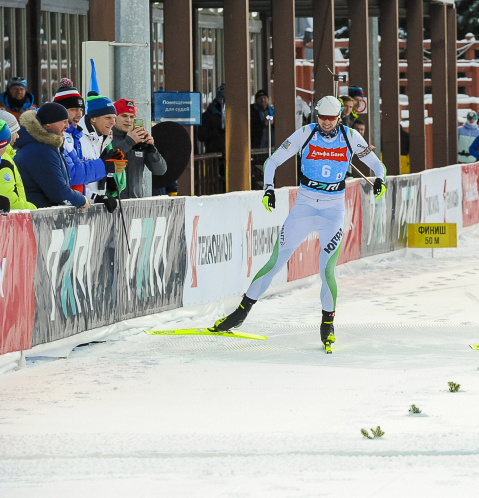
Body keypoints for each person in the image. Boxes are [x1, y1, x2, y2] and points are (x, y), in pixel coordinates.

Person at [208, 96, 387, 353]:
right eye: (322, 118)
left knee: (326, 269)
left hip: (333, 209)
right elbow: (272, 161)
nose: (326, 123)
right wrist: (268, 189)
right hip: (303, 207)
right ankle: (240, 313)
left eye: (331, 118)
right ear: (317, 116)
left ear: (339, 117)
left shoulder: (350, 136)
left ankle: (328, 325)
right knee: (274, 263)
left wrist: (380, 180)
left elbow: (376, 165)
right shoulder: (305, 133)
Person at [13, 103, 90, 210]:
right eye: (63, 121)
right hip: (37, 218)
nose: (67, 126)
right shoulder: (40, 150)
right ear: (48, 124)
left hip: (42, 216)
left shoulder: (47, 146)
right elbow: (58, 192)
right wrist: (80, 199)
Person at [54, 80, 107, 195]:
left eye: (81, 110)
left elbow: (79, 182)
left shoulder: (76, 136)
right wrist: (104, 165)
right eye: (73, 110)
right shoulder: (56, 137)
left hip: (76, 201)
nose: (79, 114)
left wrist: (93, 197)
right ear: (60, 111)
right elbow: (70, 175)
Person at [112, 98, 168, 199]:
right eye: (124, 115)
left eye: (132, 117)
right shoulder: (108, 137)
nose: (128, 120)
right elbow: (108, 159)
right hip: (112, 203)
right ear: (114, 117)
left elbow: (160, 170)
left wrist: (151, 149)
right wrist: (129, 141)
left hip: (135, 203)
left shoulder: (139, 140)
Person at [81, 94, 126, 205]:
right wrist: (95, 198)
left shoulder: (104, 139)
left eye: (114, 118)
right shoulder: (80, 140)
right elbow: (75, 179)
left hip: (94, 207)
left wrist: (110, 182)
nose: (113, 122)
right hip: (80, 206)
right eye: (107, 118)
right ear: (93, 119)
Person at [0, 116, 35, 213]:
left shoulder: (6, 157)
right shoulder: (4, 161)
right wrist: (32, 209)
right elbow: (9, 199)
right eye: (15, 132)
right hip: (10, 219)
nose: (18, 136)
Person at [198, 85, 226, 153]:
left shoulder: (230, 115)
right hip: (215, 155)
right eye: (223, 98)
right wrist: (217, 132)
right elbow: (201, 136)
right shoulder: (208, 115)